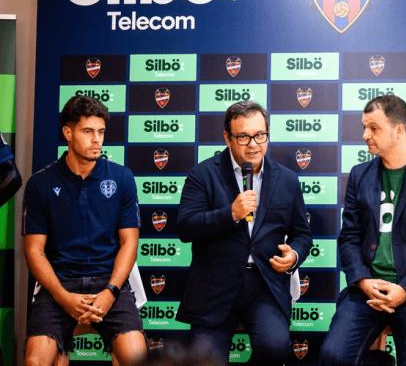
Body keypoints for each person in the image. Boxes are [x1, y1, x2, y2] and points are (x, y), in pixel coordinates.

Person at [319, 95, 406, 365]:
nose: (364, 135)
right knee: (332, 357)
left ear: (399, 129)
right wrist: (363, 281)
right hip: (368, 291)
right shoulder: (360, 174)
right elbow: (349, 237)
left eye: (374, 128)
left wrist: (405, 290)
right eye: (364, 127)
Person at [176, 100, 313, 365]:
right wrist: (230, 214)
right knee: (204, 360)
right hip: (214, 288)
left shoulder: (287, 179)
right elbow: (185, 226)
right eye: (243, 137)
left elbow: (302, 234)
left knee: (275, 347)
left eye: (260, 135)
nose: (253, 144)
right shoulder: (203, 174)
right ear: (227, 137)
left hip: (264, 285)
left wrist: (294, 256)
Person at [22, 96, 146, 366]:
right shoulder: (40, 184)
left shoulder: (122, 177)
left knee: (136, 358)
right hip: (60, 283)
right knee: (35, 361)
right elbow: (34, 251)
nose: (97, 140)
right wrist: (63, 297)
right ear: (68, 132)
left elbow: (129, 243)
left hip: (108, 282)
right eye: (88, 131)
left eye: (101, 132)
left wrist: (111, 291)